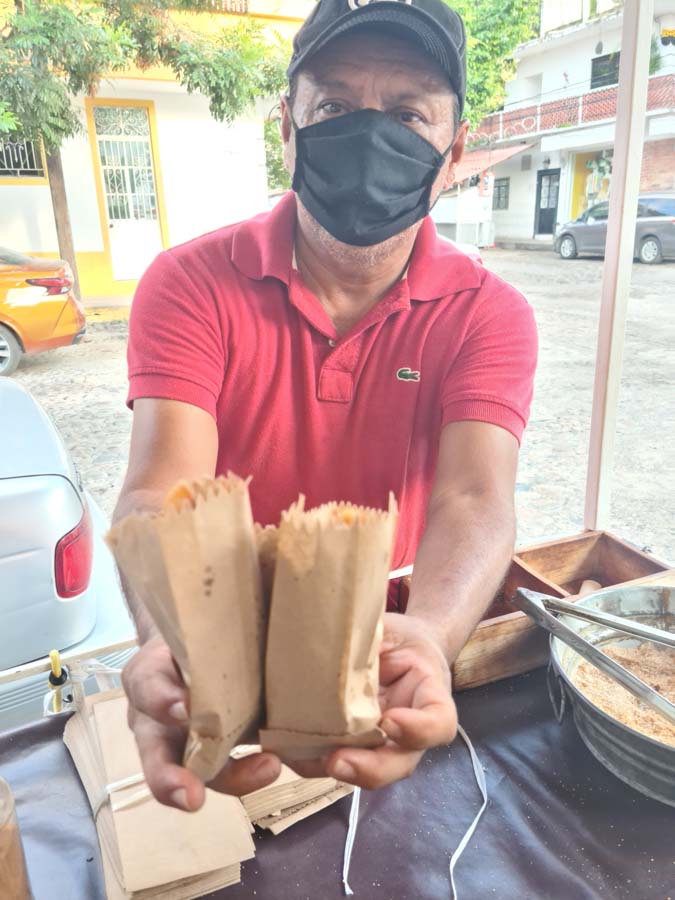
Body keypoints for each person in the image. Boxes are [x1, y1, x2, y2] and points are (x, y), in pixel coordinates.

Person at [115, 0, 538, 813]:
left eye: (406, 112)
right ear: (288, 127)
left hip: (377, 646)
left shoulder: (489, 313)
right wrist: (174, 634)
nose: (367, 136)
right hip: (219, 624)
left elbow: (475, 497)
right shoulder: (189, 283)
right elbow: (160, 486)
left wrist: (432, 638)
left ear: (451, 154)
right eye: (334, 107)